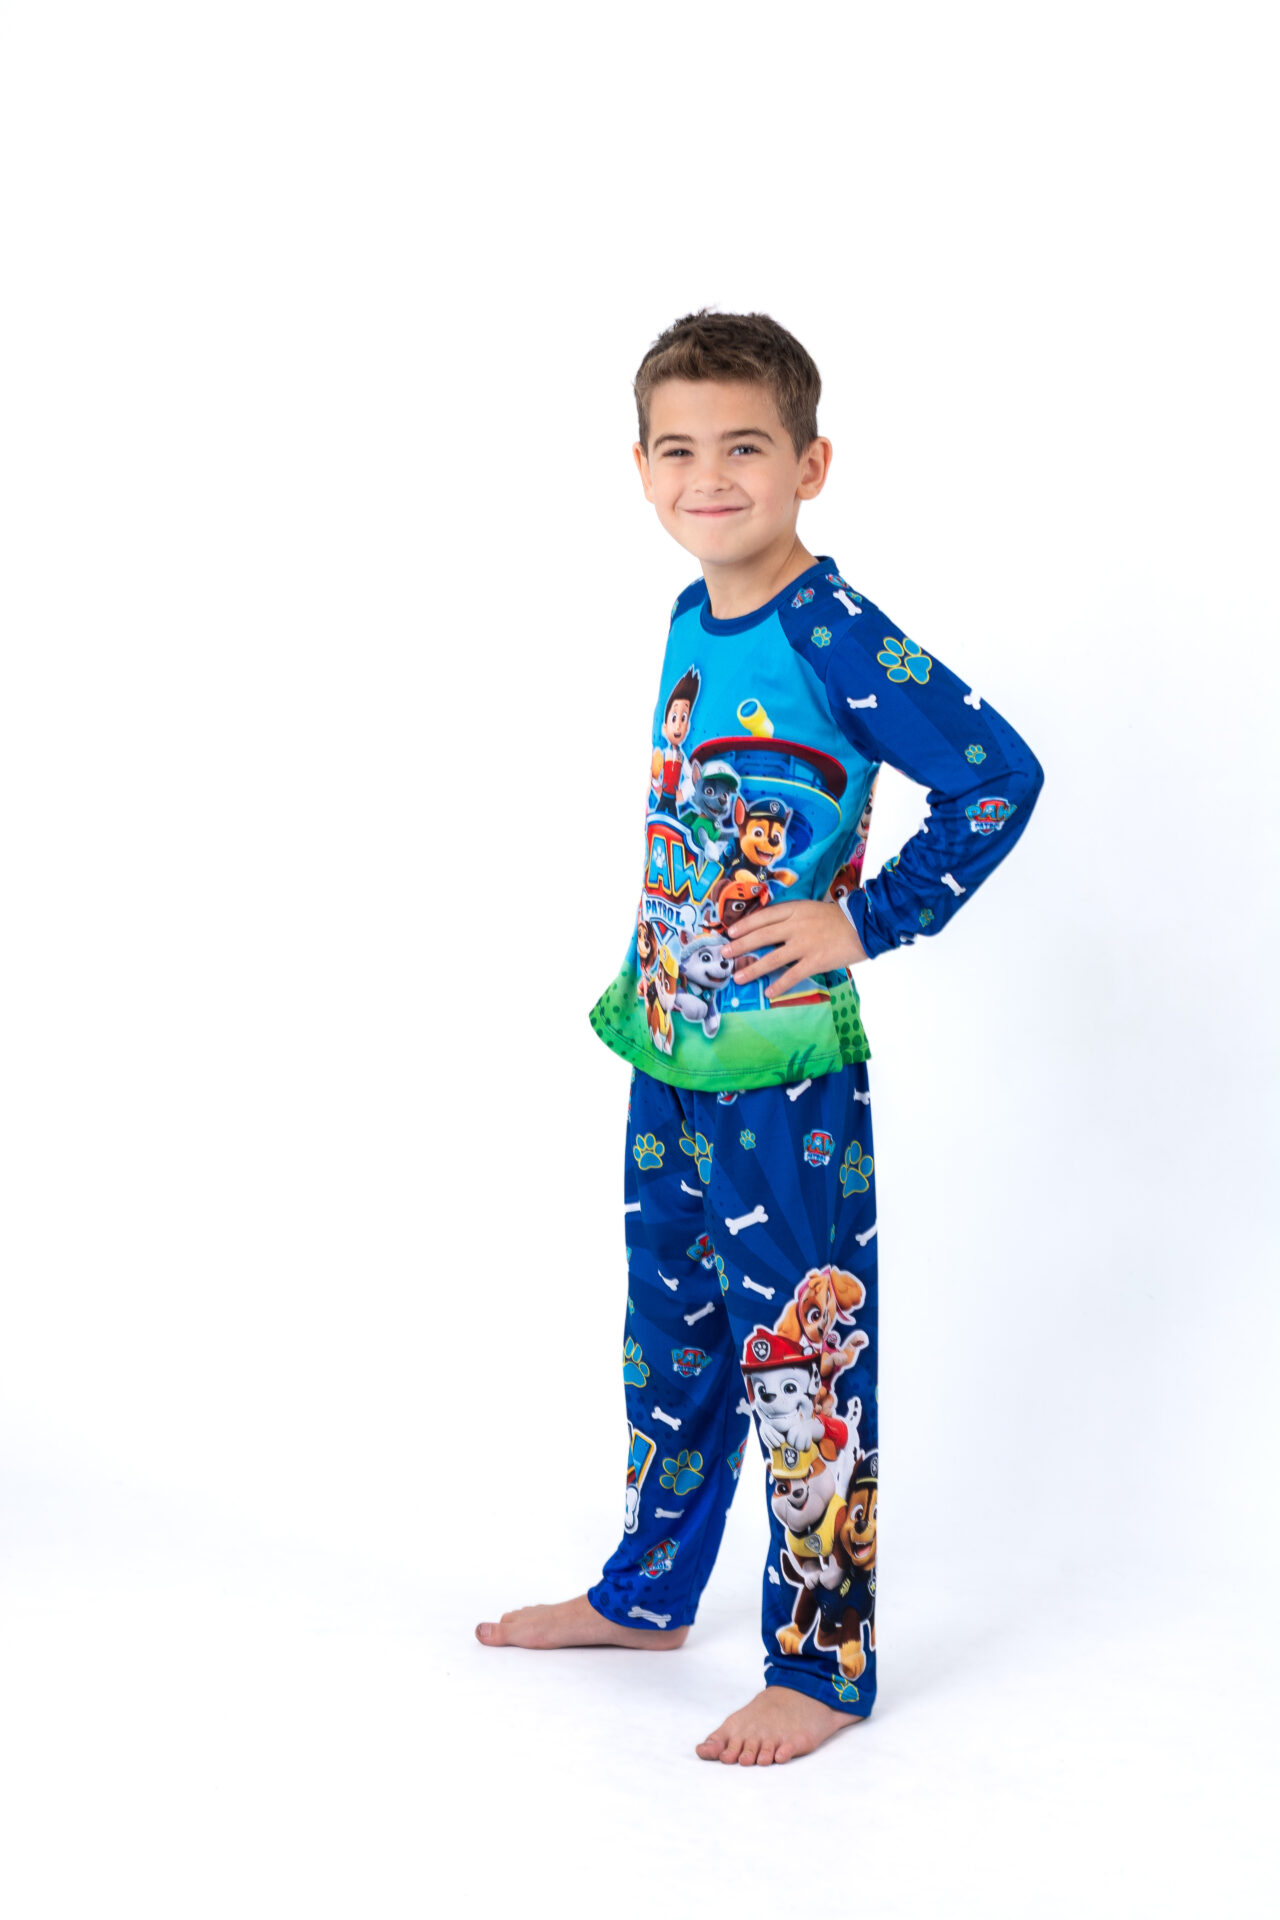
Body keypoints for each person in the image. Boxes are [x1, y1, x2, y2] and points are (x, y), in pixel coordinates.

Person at [475, 309, 1045, 1765]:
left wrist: (870, 920)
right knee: (670, 1340)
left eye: (744, 447)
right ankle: (648, 1593)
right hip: (668, 1050)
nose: (709, 477)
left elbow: (997, 776)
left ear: (811, 464)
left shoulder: (831, 632)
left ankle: (823, 1662)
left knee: (801, 1359)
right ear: (641, 469)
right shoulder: (692, 611)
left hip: (782, 1077)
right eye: (678, 450)